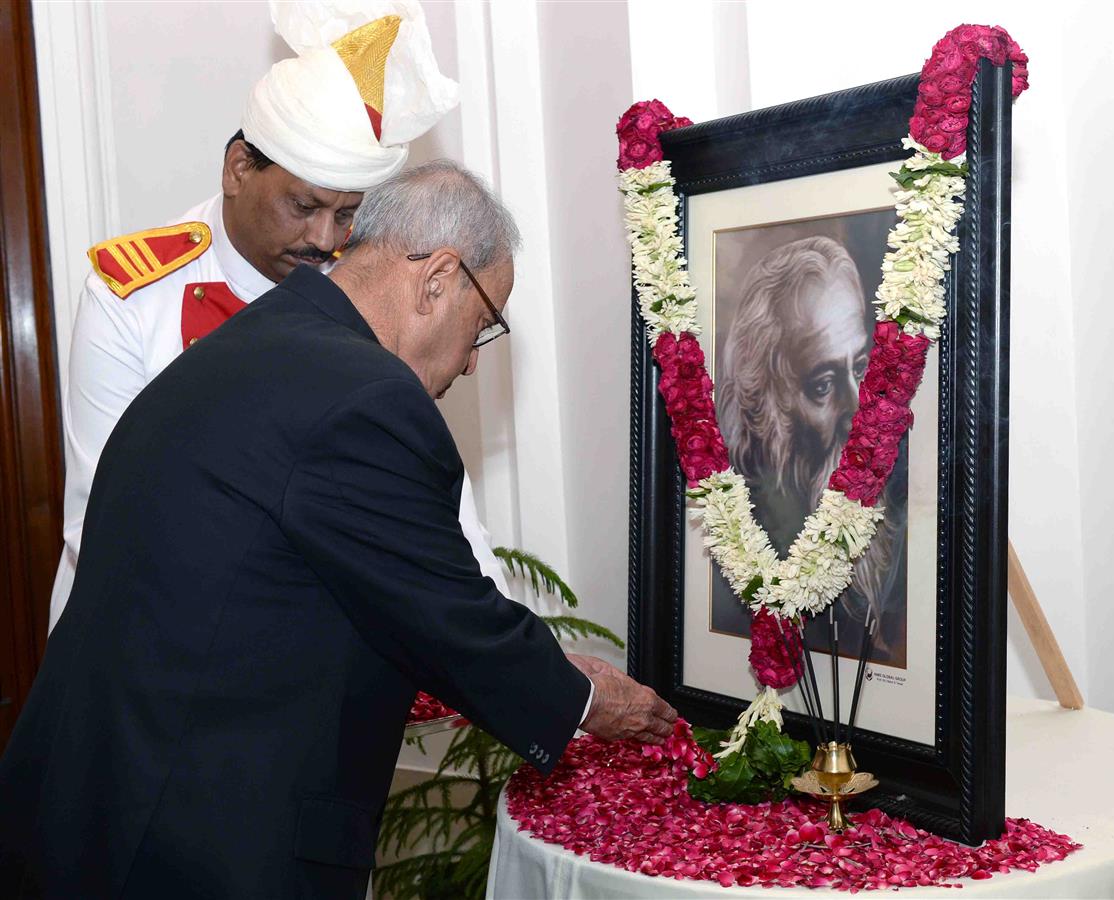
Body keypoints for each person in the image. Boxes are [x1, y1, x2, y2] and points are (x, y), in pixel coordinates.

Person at [0, 159, 676, 898]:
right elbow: (445, 615)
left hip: (88, 806)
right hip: (192, 840)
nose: (473, 366)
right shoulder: (365, 397)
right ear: (437, 278)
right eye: (483, 325)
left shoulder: (257, 343)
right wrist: (589, 701)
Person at [51, 0, 514, 633]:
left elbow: (432, 495)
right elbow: (101, 522)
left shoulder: (364, 286)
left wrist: (520, 648)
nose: (325, 238)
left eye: (349, 214)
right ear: (239, 168)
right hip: (137, 639)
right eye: (304, 205)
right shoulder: (133, 295)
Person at [715, 235, 907, 664]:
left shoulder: (906, 498)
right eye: (822, 385)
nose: (857, 411)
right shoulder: (733, 536)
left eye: (860, 367)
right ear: (767, 404)